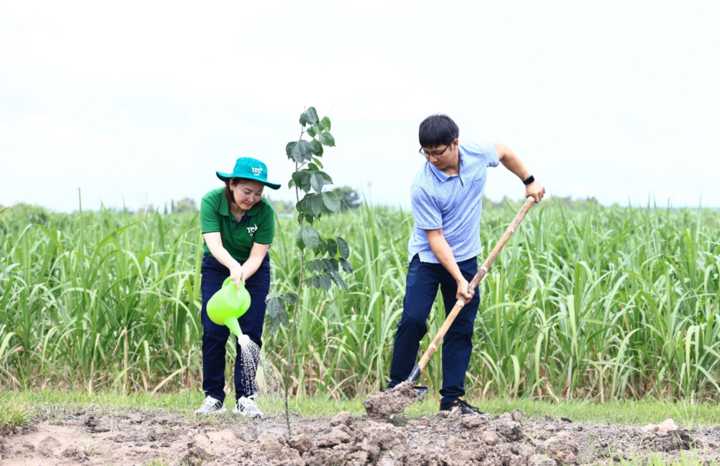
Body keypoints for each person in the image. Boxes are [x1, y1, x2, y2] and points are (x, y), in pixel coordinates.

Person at [387, 114, 546, 415]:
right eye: (426, 152)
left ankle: (452, 401)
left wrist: (529, 180)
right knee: (414, 319)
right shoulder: (423, 186)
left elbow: (505, 152)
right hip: (429, 259)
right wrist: (459, 279)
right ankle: (396, 389)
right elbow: (435, 239)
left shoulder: (476, 153)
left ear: (455, 144)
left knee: (460, 326)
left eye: (438, 151)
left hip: (467, 257)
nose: (432, 158)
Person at [195, 157, 281, 417]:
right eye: (246, 191)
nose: (252, 198)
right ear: (231, 183)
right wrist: (233, 267)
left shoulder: (264, 212)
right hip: (217, 266)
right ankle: (213, 397)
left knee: (250, 333)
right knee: (213, 330)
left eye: (258, 193)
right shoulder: (212, 201)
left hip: (252, 272)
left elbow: (257, 257)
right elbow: (215, 245)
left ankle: (245, 397)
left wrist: (241, 274)